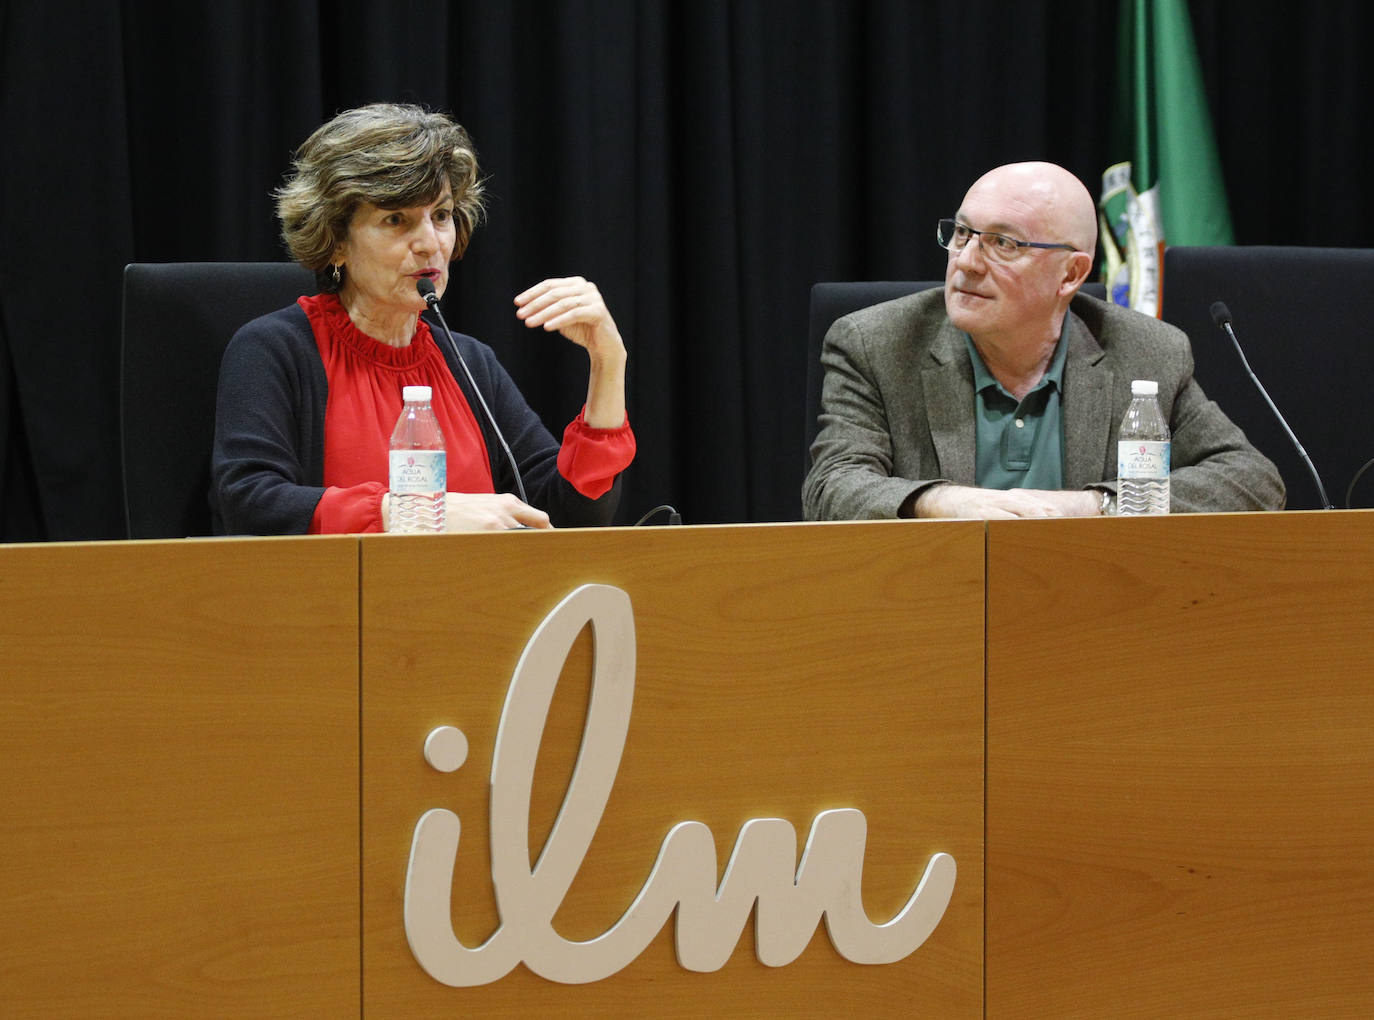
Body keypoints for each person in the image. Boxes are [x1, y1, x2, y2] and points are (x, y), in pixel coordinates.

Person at [212, 103, 635, 534]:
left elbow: (568, 513)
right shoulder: (274, 349)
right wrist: (418, 512)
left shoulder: (469, 362)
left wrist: (608, 362)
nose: (430, 243)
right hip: (333, 598)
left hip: (475, 597)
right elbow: (248, 499)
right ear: (336, 240)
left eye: (441, 215)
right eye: (396, 219)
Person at [802, 161, 1284, 520]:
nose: (966, 261)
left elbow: (1250, 480)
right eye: (963, 233)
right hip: (932, 610)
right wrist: (943, 501)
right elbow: (831, 487)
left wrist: (1095, 505)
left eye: (1003, 243)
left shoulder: (1146, 352)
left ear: (1070, 274)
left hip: (1091, 615)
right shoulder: (875, 344)